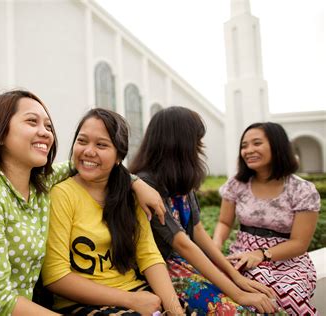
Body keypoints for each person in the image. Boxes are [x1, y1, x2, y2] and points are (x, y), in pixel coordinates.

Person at [0, 90, 166, 316]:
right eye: (32, 122)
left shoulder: (39, 183)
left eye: (48, 125)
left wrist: (135, 182)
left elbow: (93, 165)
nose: (45, 132)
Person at [129, 107, 277, 315]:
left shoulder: (181, 180)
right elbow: (181, 243)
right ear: (180, 143)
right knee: (239, 310)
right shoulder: (146, 185)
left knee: (268, 302)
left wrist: (235, 276)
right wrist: (238, 293)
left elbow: (197, 230)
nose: (200, 146)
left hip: (189, 262)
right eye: (196, 140)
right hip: (164, 270)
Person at [42, 108, 186, 315]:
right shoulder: (62, 195)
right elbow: (55, 276)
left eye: (101, 145)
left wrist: (175, 311)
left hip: (137, 293)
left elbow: (149, 256)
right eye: (82, 141)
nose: (89, 151)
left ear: (119, 156)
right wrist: (132, 301)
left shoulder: (130, 194)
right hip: (83, 303)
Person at [213, 122, 320, 315]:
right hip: (241, 256)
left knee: (286, 296)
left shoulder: (302, 190)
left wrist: (261, 254)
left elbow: (300, 243)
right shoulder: (237, 184)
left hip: (288, 261)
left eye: (256, 143)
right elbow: (224, 222)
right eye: (244, 146)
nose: (248, 150)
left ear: (277, 146)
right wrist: (215, 247)